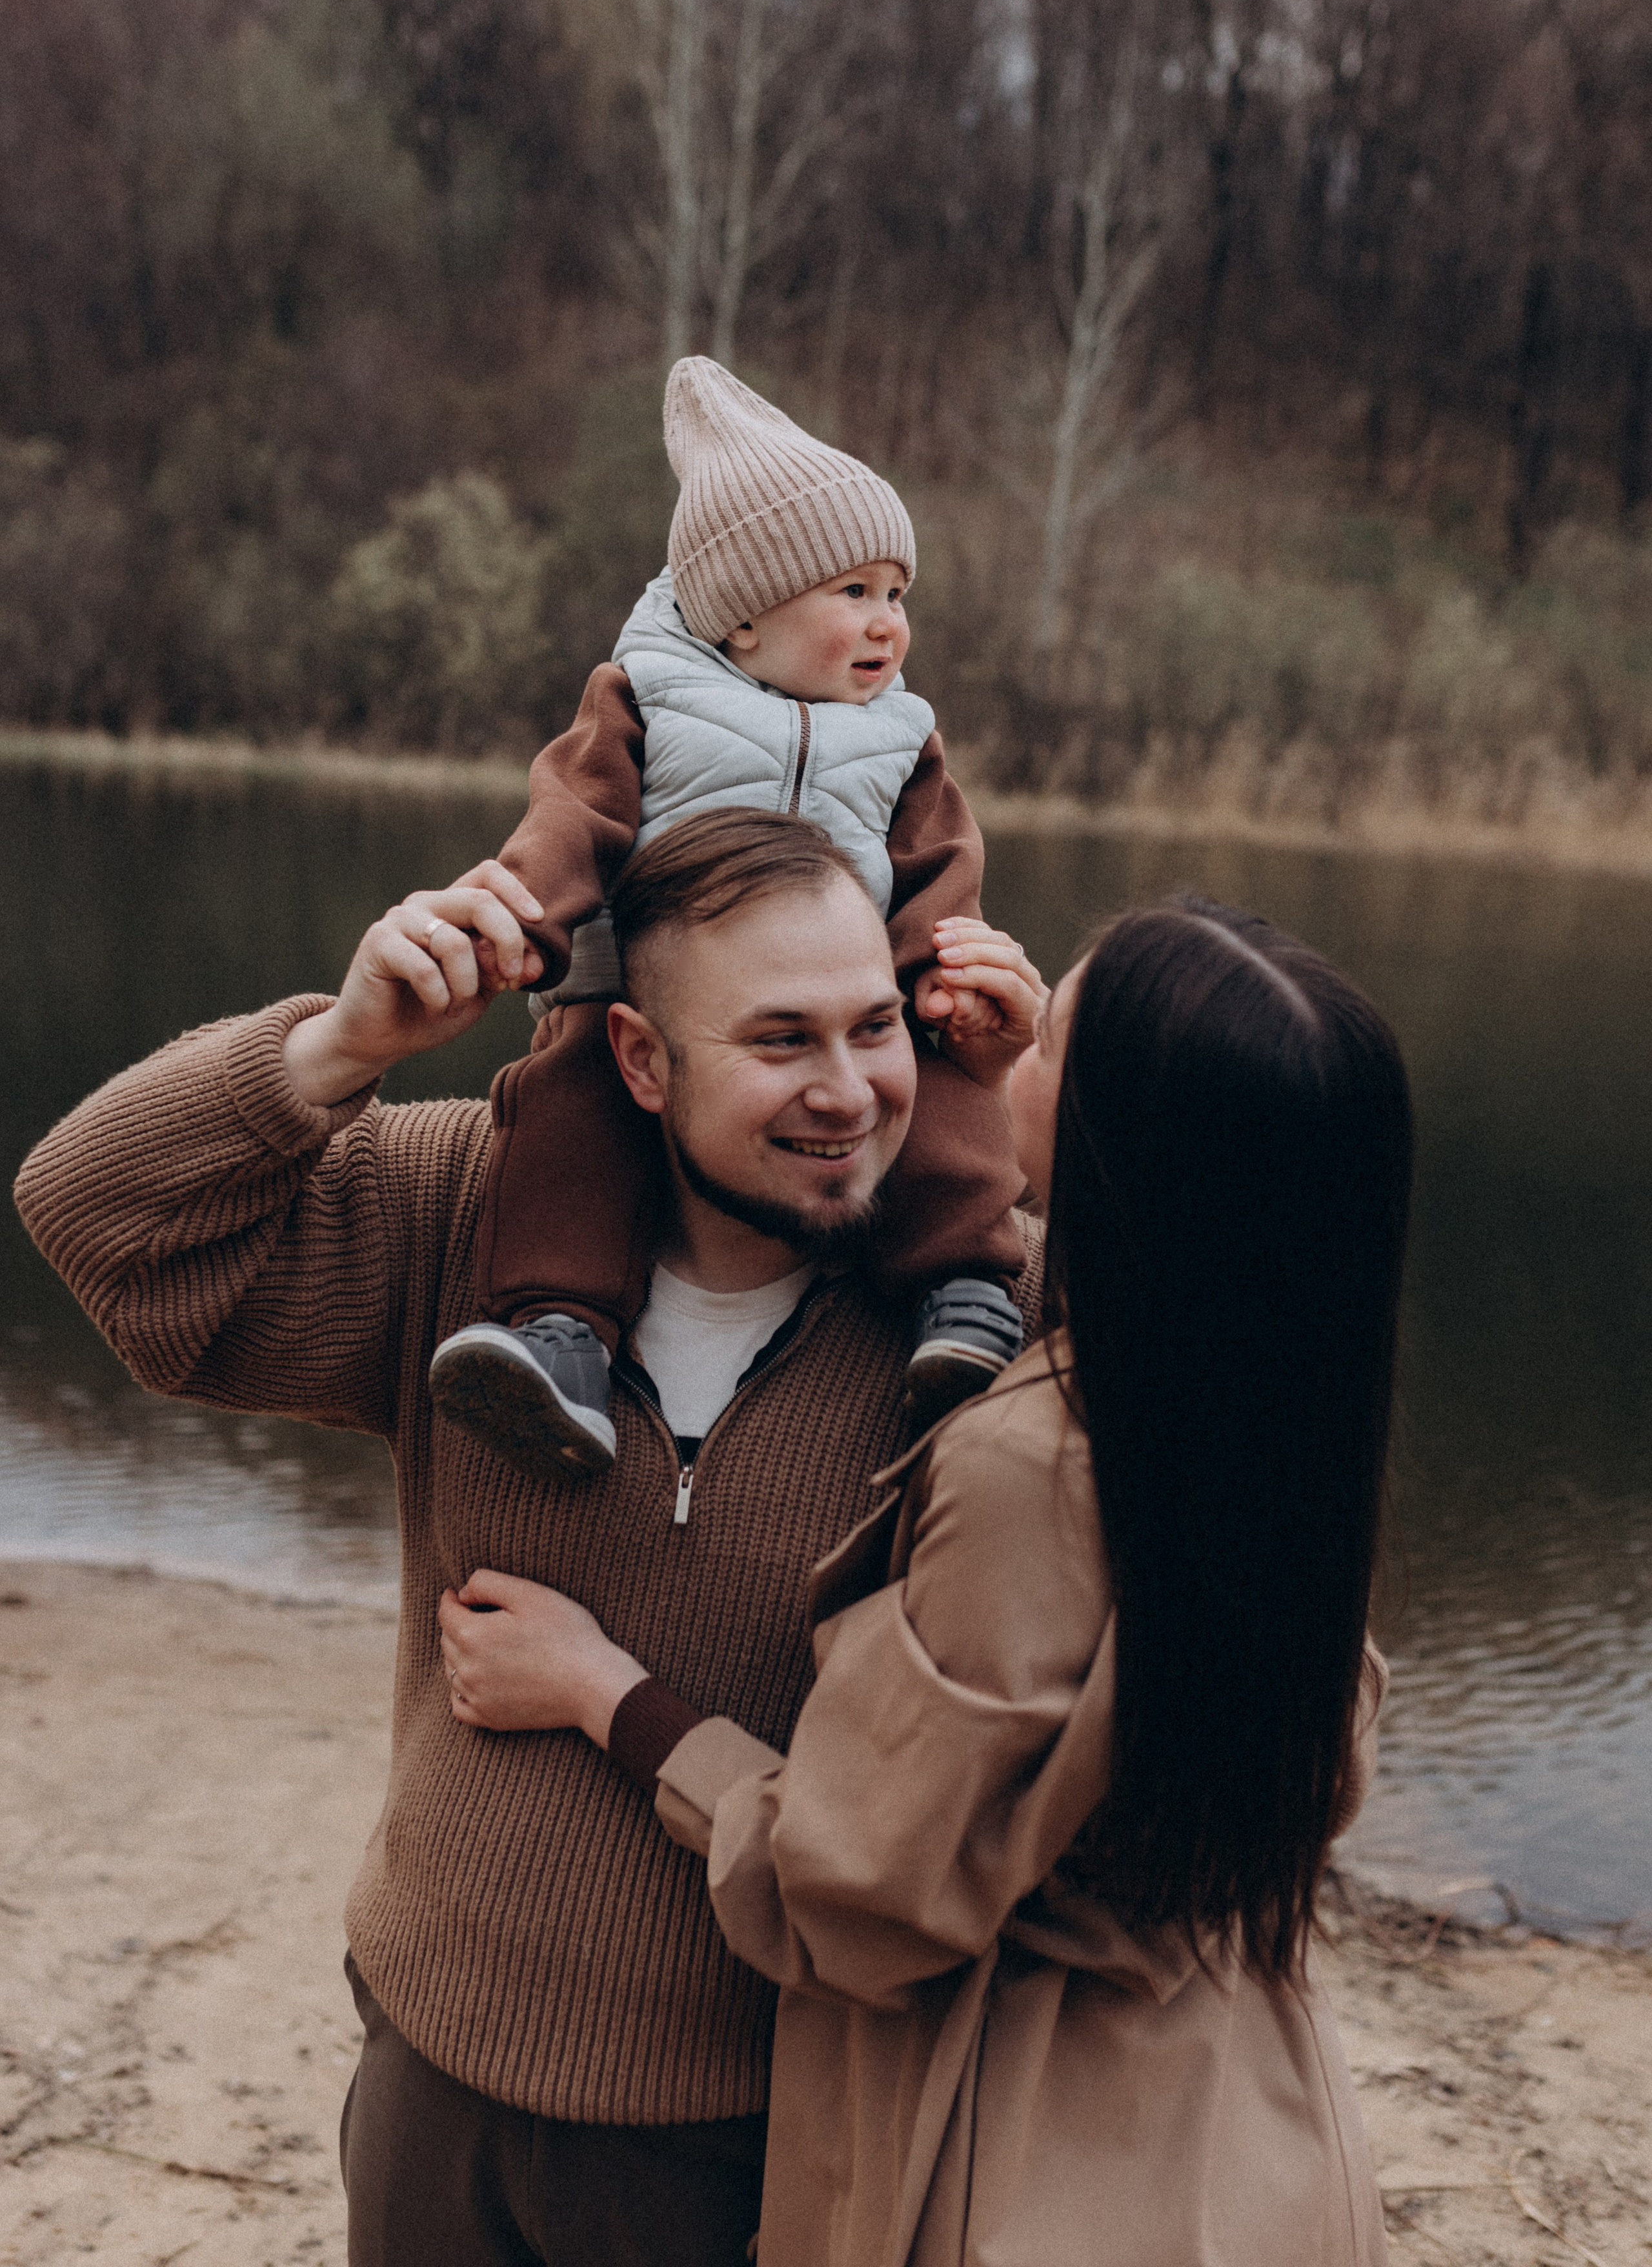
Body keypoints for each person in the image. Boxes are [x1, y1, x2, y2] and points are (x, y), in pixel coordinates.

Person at [12, 809, 1047, 2267]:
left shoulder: (986, 1315)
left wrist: (1038, 1107)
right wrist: (340, 1050)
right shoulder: (466, 1215)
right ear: (637, 1057)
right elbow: (96, 1216)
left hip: (773, 2117)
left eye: (873, 1026)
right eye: (778, 1041)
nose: (848, 1093)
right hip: (437, 2068)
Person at [438, 894, 1412, 2267]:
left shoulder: (1036, 1463)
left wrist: (608, 1695)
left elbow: (856, 1893)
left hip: (1030, 2159)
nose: (994, 1051)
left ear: (1122, 1142)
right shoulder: (1290, 1416)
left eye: (1046, 1038)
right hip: (1252, 2131)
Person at [429, 355, 1027, 1478]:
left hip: (850, 983)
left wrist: (943, 975)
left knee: (937, 1085)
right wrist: (526, 922)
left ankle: (965, 1296)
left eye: (898, 595)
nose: (887, 624)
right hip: (634, 975)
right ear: (743, 618)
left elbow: (939, 860)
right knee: (568, 1111)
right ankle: (560, 1338)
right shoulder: (650, 694)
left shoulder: (899, 736)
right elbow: (574, 815)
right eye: (852, 593)